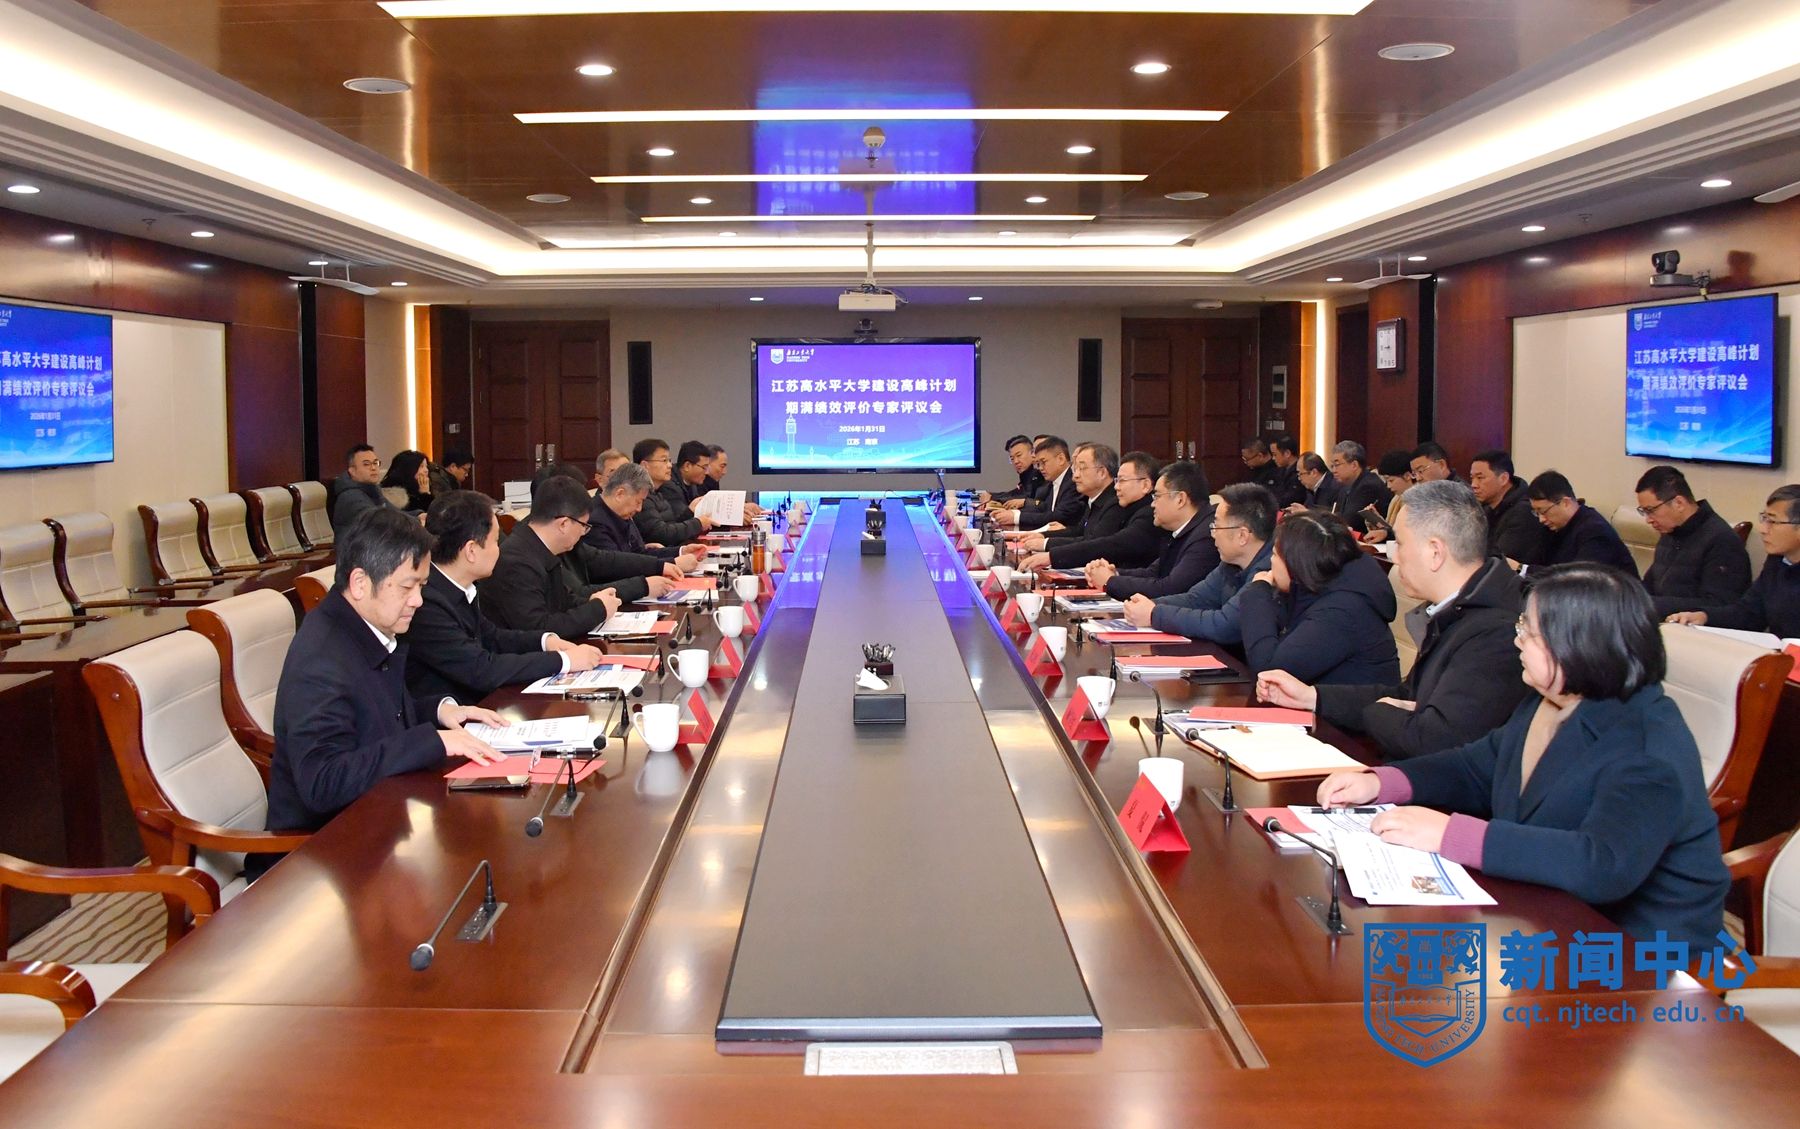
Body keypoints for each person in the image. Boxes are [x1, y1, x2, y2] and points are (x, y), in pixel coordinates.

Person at [1317, 563, 1730, 950]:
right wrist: (1383, 782)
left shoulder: (1647, 747)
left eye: (1529, 632)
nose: (1516, 640)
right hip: (1545, 910)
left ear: (1577, 646)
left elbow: (1602, 865)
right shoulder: (1551, 699)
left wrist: (1450, 835)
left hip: (1641, 950)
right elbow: (1477, 767)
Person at [252, 507, 506, 878]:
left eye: (421, 587)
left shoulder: (363, 628)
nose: (418, 600)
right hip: (318, 859)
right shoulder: (321, 660)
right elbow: (323, 782)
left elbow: (377, 717)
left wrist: (441, 711)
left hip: (377, 823)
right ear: (359, 583)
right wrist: (433, 741)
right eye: (407, 587)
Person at [1257, 481, 1529, 759]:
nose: (1394, 557)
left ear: (1435, 552)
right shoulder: (1459, 608)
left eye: (1399, 543)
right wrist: (1312, 697)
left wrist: (1381, 711)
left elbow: (1434, 739)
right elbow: (1409, 696)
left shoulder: (1496, 632)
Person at [406, 490, 605, 705]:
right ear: (471, 550)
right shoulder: (427, 602)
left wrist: (545, 641)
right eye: (494, 541)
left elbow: (493, 637)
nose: (499, 550)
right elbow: (482, 669)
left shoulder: (459, 587)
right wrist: (563, 661)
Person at [1236, 509, 1400, 683]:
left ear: (1295, 562)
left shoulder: (1342, 611)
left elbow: (1270, 672)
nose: (1270, 562)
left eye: (1275, 555)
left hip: (1350, 702)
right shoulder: (1316, 584)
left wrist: (1257, 593)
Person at [1122, 483, 1276, 645]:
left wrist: (1155, 614)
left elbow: (1224, 625)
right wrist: (1149, 605)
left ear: (1242, 536)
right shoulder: (1230, 563)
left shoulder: (1269, 571)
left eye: (1216, 526)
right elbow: (1196, 599)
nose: (1212, 534)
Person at [482, 475, 625, 640]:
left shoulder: (537, 547)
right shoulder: (516, 562)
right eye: (583, 526)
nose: (583, 532)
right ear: (563, 524)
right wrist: (598, 609)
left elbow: (562, 602)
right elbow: (539, 629)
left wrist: (591, 602)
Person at [1669, 485, 1800, 638]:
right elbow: (1749, 613)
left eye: (1772, 521)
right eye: (1764, 519)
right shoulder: (1777, 561)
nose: (1763, 529)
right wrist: (1704, 617)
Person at [1088, 459, 1220, 599]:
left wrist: (1110, 581)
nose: (1152, 504)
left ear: (1180, 499)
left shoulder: (1206, 536)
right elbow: (1154, 573)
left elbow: (1170, 588)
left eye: (1157, 496)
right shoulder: (1183, 529)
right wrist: (1113, 573)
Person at [1633, 465, 1751, 617]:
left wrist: (1652, 605)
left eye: (1651, 511)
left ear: (1679, 503)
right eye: (1644, 512)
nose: (1648, 519)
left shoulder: (1722, 541)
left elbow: (1720, 604)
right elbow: (1650, 586)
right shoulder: (1669, 532)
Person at [1021, 450, 1165, 571]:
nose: (1116, 487)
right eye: (1117, 481)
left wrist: (1051, 556)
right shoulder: (1129, 507)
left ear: (1146, 485)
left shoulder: (1147, 515)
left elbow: (1112, 544)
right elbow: (1086, 535)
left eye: (1122, 480)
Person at [1011, 442, 1119, 560]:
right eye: (1075, 469)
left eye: (1082, 468)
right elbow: (1079, 531)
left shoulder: (1114, 503)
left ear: (1102, 473)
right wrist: (1042, 535)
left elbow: (1092, 544)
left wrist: (1046, 544)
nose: (1075, 476)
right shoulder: (1094, 499)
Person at [586, 462, 699, 568]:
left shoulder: (622, 513)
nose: (639, 509)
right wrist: (670, 564)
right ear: (620, 494)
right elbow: (616, 566)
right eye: (638, 501)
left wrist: (681, 551)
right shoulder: (594, 520)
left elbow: (639, 553)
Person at [1526, 471, 1638, 576]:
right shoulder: (1552, 527)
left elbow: (1577, 579)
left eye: (1543, 511)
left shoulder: (1595, 531)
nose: (1541, 519)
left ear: (1565, 503)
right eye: (1537, 513)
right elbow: (1535, 561)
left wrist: (1524, 569)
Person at [1469, 449, 1547, 566]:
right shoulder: (1485, 509)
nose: (1473, 485)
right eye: (1472, 478)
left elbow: (1500, 559)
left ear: (1503, 479)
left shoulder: (1524, 511)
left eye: (1480, 478)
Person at [993, 436, 1083, 530]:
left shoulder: (1073, 482)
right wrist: (1014, 513)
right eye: (1038, 464)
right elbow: (1044, 508)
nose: (1040, 468)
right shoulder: (1053, 482)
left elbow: (1059, 516)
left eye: (1043, 462)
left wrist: (1016, 517)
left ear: (1061, 459)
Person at [633, 437, 712, 544]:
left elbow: (672, 524)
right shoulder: (641, 497)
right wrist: (698, 523)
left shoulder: (657, 493)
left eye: (669, 460)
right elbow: (661, 533)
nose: (670, 465)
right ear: (644, 465)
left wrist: (689, 512)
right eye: (664, 460)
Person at [1328, 440, 1393, 535]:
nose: (1333, 470)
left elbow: (1349, 522)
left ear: (1354, 465)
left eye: (1337, 465)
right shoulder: (1345, 488)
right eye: (1332, 466)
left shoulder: (1369, 486)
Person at [330, 443, 395, 534]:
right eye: (366, 464)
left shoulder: (373, 489)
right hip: (357, 543)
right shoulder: (350, 497)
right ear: (352, 471)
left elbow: (396, 513)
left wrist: (415, 517)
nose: (373, 468)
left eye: (375, 463)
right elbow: (379, 522)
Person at [1362, 449, 1413, 543]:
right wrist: (1378, 520)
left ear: (1407, 476)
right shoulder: (1396, 499)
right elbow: (1392, 533)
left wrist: (1386, 532)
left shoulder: (1420, 501)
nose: (1388, 486)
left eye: (1391, 480)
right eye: (1386, 481)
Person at [977, 434, 1044, 506]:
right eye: (1012, 458)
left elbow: (1026, 496)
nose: (1016, 461)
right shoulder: (1025, 476)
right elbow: (1014, 493)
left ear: (1032, 453)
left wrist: (993, 498)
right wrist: (991, 495)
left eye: (1019, 455)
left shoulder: (1039, 474)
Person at [380, 449, 434, 516]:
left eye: (426, 466)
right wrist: (424, 495)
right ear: (409, 469)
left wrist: (426, 494)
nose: (426, 470)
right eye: (421, 466)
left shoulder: (426, 485)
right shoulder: (394, 494)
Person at [1286, 451, 1340, 515]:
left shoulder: (1334, 487)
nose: (1299, 478)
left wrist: (1306, 512)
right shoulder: (1311, 488)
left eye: (1300, 474)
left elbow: (1332, 517)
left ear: (1314, 472)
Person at [1269, 434, 1306, 509]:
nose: (1273, 458)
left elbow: (1289, 500)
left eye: (1275, 454)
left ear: (1287, 453)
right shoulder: (1279, 471)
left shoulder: (1300, 473)